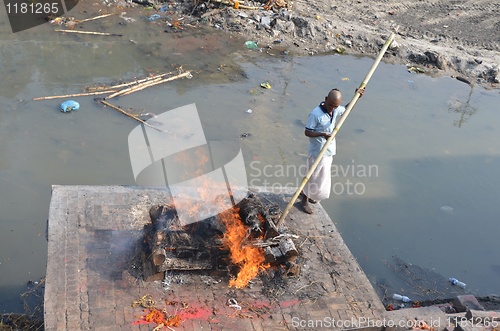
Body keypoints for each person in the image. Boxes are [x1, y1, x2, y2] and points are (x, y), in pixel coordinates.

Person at [301, 87, 364, 214]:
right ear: (325, 99)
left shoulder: (335, 110)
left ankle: (314, 196)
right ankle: (304, 200)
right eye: (330, 105)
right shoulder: (315, 114)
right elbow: (307, 132)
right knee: (312, 176)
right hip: (317, 151)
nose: (332, 109)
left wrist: (356, 97)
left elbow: (346, 110)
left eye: (335, 106)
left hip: (328, 151)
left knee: (322, 177)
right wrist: (322, 134)